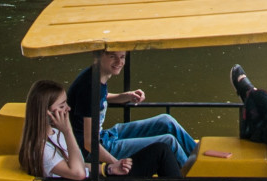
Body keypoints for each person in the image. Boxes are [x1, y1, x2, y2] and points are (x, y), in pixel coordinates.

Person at [18, 79, 217, 181]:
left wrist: (108, 169)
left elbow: (78, 165)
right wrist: (68, 130)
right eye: (63, 106)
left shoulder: (55, 133)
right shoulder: (41, 148)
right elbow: (77, 173)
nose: (68, 109)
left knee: (161, 150)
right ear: (47, 113)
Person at [69, 49, 198, 168]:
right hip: (92, 149)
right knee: (168, 142)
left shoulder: (97, 74)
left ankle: (200, 159)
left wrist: (124, 96)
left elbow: (99, 98)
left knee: (166, 121)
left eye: (122, 57)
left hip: (104, 136)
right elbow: (89, 143)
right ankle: (195, 179)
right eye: (112, 56)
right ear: (98, 56)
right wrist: (116, 164)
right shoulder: (90, 87)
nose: (119, 62)